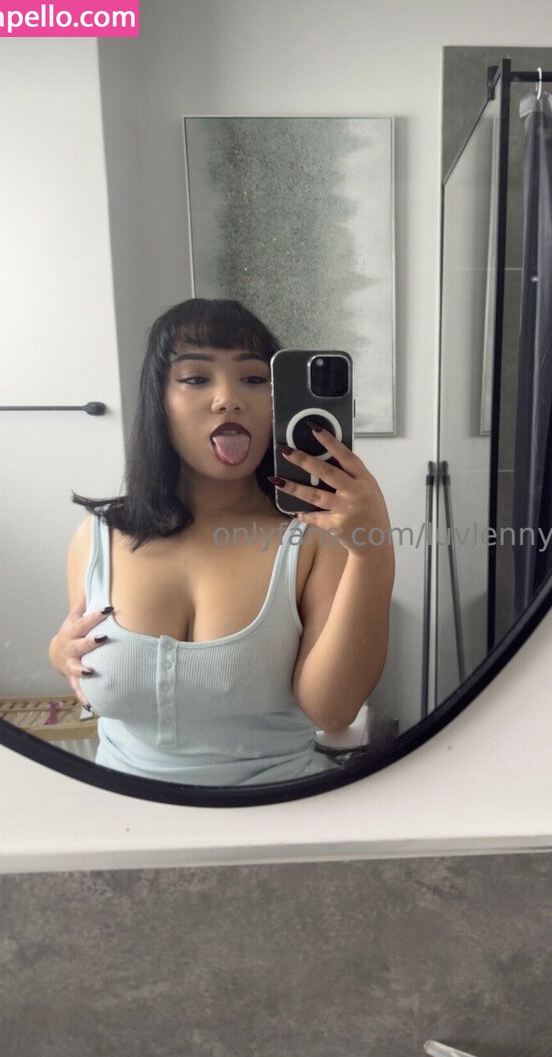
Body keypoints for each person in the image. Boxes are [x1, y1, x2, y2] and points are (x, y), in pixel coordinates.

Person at [48, 298, 395, 786]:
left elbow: (333, 711)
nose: (228, 398)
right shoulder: (97, 537)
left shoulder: (315, 538)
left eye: (253, 378)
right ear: (158, 400)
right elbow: (79, 658)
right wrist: (57, 652)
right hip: (121, 813)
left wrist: (373, 552)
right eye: (196, 378)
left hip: (277, 809)